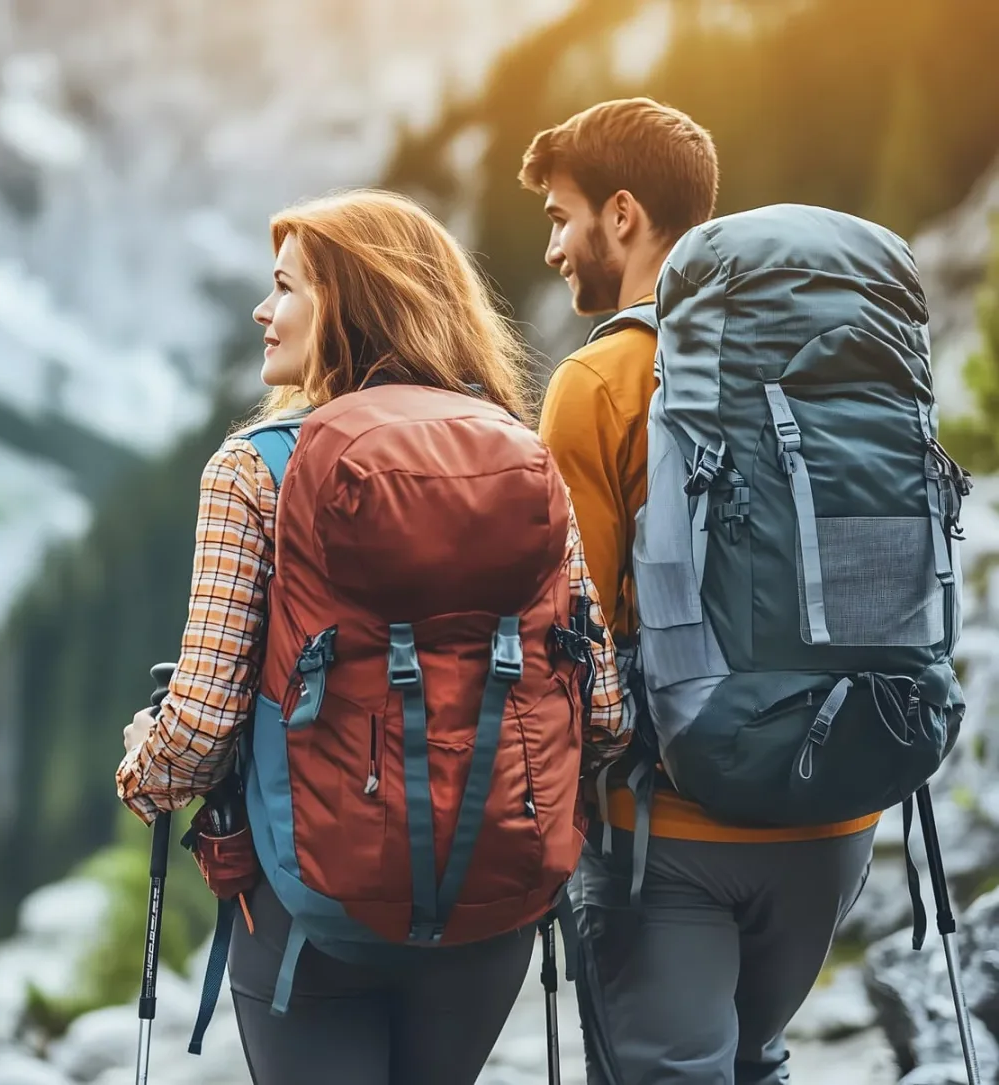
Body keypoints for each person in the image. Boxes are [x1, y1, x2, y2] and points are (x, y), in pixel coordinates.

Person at [115, 188, 629, 1085]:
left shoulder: (253, 471)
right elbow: (606, 707)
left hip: (312, 907)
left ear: (350, 302)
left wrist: (141, 767)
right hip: (492, 898)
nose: (263, 311)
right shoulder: (518, 453)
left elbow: (198, 728)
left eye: (285, 288)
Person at [519, 97, 880, 1084]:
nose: (555, 247)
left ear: (623, 213)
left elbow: (570, 630)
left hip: (669, 826)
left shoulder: (601, 380)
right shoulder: (833, 357)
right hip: (840, 806)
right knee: (755, 1061)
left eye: (562, 216)